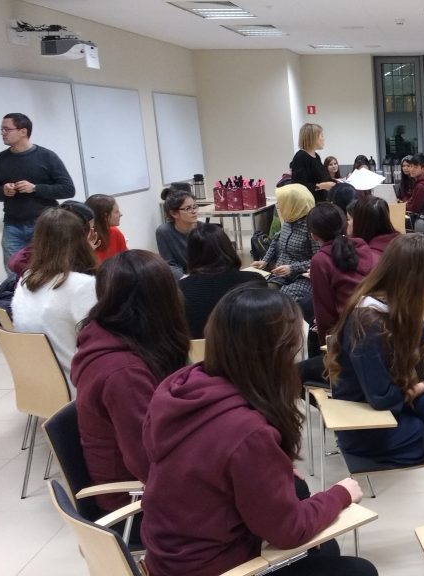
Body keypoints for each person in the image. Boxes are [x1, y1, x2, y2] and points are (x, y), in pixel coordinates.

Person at [141, 286, 377, 576]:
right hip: (216, 568)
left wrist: (270, 468)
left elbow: (211, 464)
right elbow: (289, 531)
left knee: (319, 535)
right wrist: (340, 494)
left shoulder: (182, 387)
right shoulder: (248, 432)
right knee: (360, 571)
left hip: (167, 558)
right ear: (276, 353)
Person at [326, 234, 424, 521]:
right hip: (372, 424)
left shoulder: (389, 300)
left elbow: (418, 326)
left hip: (399, 402)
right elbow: (381, 399)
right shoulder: (368, 323)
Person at [71, 250, 189, 512]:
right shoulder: (124, 374)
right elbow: (148, 462)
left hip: (156, 475)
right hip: (136, 499)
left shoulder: (118, 338)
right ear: (161, 302)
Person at [12, 208, 97, 378]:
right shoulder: (81, 284)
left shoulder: (26, 279)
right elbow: (101, 339)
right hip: (76, 382)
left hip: (37, 382)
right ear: (80, 241)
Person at [0, 112, 76, 268]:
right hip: (12, 225)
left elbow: (68, 189)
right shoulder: (0, 159)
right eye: (1, 129)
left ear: (23, 131)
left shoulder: (47, 156)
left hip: (44, 224)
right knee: (14, 272)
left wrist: (35, 188)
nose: (3, 133)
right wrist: (3, 191)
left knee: (48, 269)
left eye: (7, 129)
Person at [179, 224, 266, 339]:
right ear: (228, 248)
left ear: (191, 254)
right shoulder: (254, 280)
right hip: (247, 347)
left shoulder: (181, 288)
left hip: (201, 349)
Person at [308, 203, 376, 341]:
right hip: (380, 322)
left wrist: (327, 345)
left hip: (354, 333)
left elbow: (325, 313)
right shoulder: (362, 246)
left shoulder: (320, 260)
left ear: (313, 235)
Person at [251, 183, 317, 308]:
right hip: (282, 275)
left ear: (293, 204)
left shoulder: (312, 227)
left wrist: (292, 268)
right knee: (263, 294)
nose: (278, 205)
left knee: (282, 298)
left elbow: (318, 260)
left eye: (281, 202)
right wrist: (265, 261)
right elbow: (275, 240)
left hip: (303, 277)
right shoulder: (289, 220)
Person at [155, 185, 200, 280]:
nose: (194, 211)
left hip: (204, 276)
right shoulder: (163, 232)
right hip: (183, 279)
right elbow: (169, 264)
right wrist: (185, 279)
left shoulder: (205, 229)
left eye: (195, 207)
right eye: (188, 208)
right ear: (174, 213)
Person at [290, 123, 335, 203]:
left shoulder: (316, 156)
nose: (324, 139)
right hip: (310, 204)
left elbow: (322, 177)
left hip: (321, 201)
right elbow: (299, 186)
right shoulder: (301, 157)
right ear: (313, 138)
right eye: (322, 136)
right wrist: (321, 186)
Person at [85, 194, 128, 264]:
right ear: (105, 215)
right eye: (116, 212)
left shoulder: (115, 232)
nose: (121, 214)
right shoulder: (84, 239)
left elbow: (127, 260)